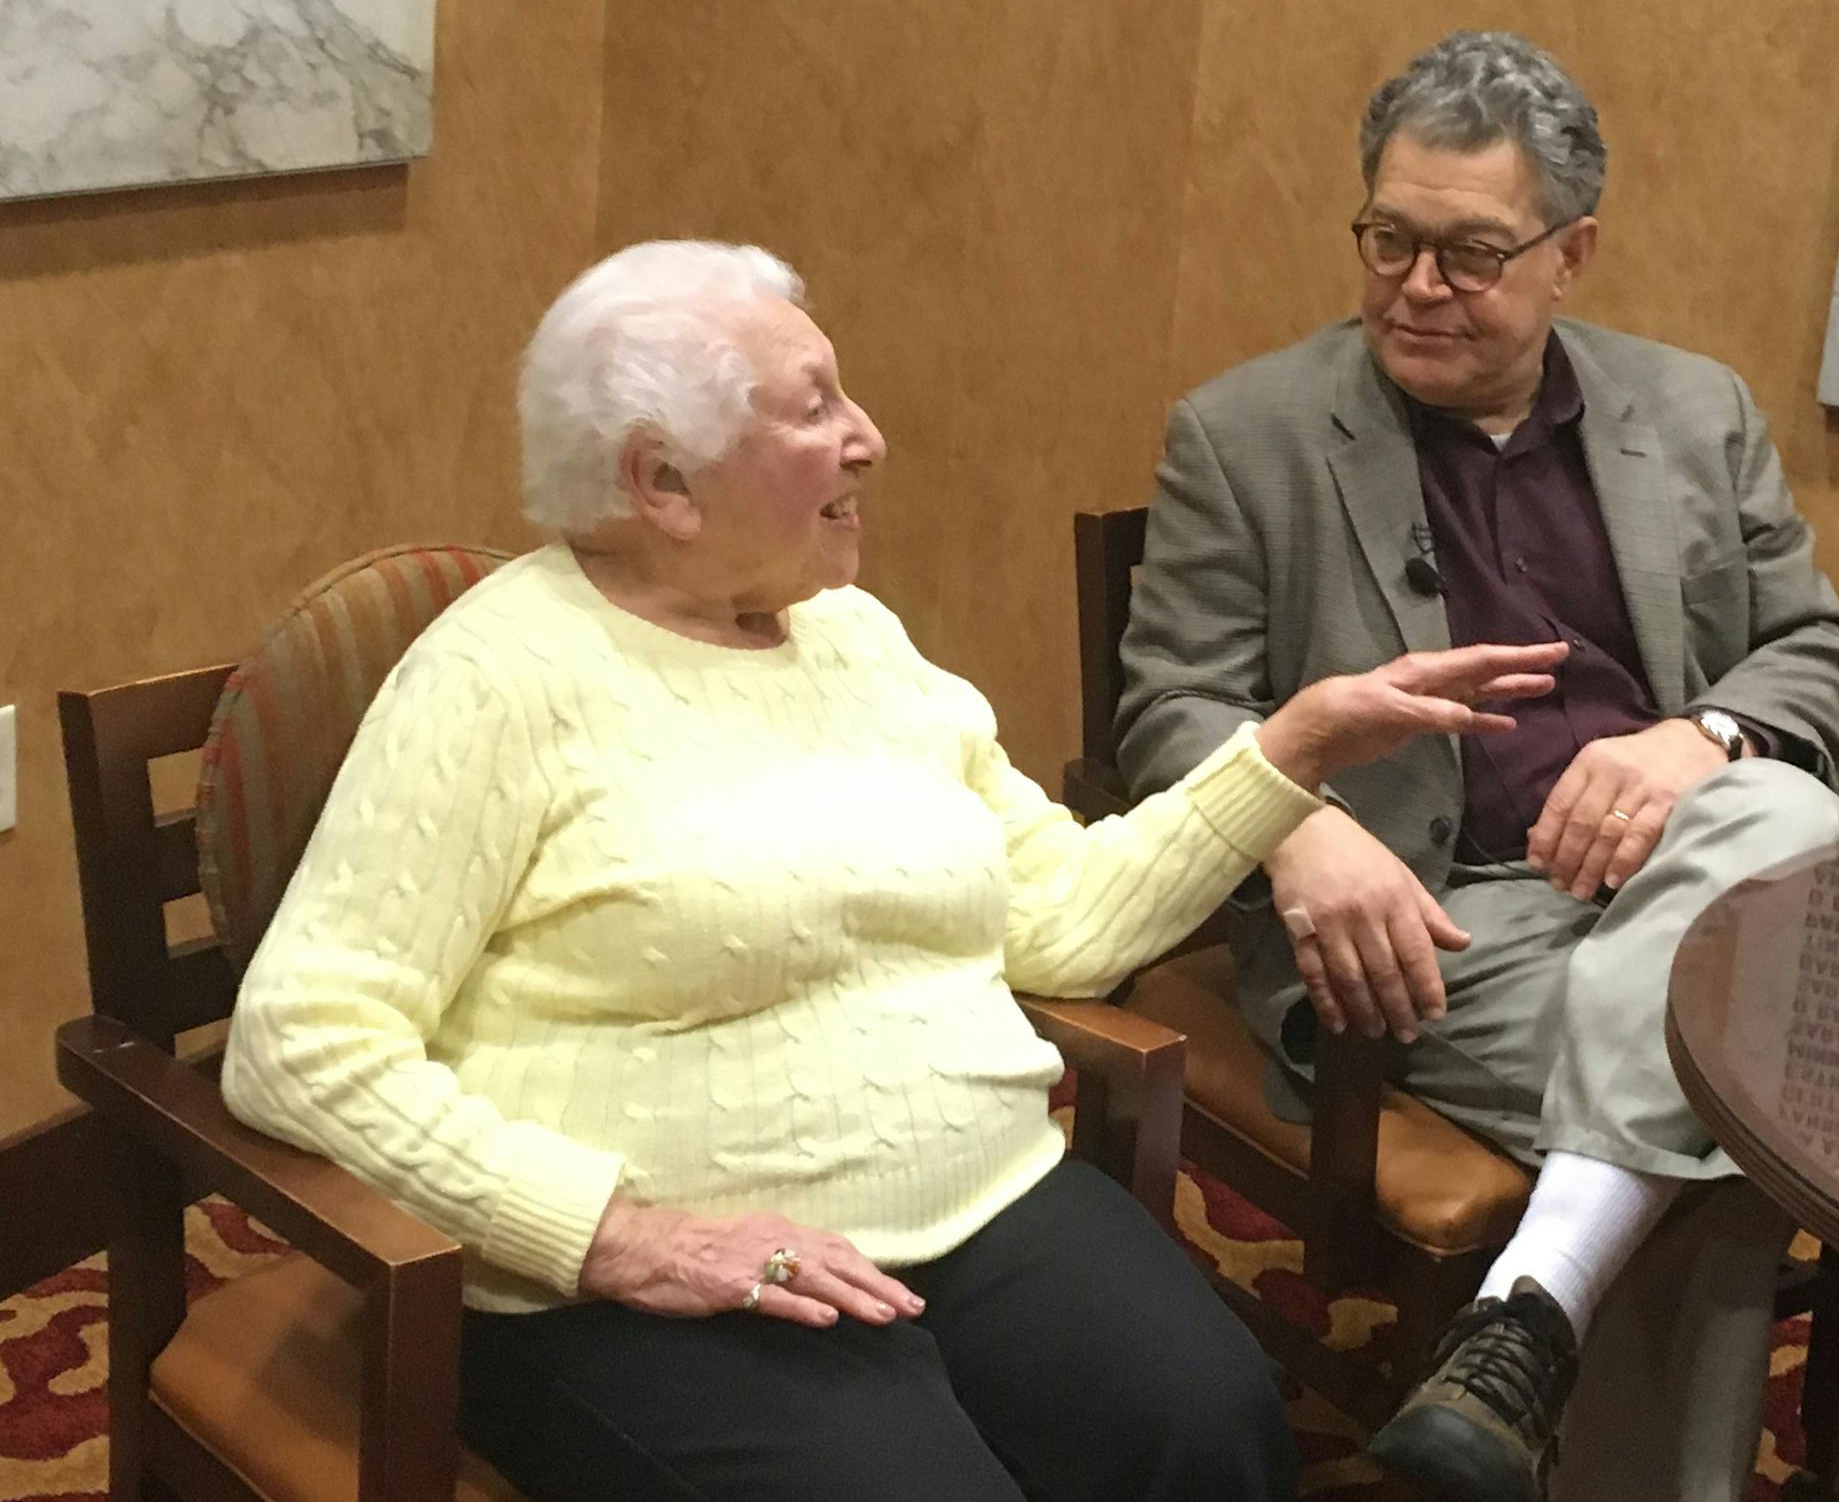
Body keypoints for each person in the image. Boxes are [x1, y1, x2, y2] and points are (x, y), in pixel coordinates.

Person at [218, 239, 1567, 1502]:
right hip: (637, 1279)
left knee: (1210, 1427)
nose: (870, 435)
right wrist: (628, 1235)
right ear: (661, 484)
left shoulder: (854, 638)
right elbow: (302, 1039)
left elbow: (1059, 920)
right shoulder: (496, 677)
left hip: (971, 1199)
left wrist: (1290, 750)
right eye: (814, 410)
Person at [1116, 32, 1839, 1502]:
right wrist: (1295, 830)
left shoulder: (1696, 411)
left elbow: (1827, 655)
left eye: (1470, 253)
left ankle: (1516, 1327)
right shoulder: (1246, 435)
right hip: (1440, 919)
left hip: (1694, 885)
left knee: (1771, 795)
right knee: (1735, 1110)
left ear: (1570, 253)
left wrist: (1694, 741)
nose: (1418, 285)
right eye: (1391, 238)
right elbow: (1167, 702)